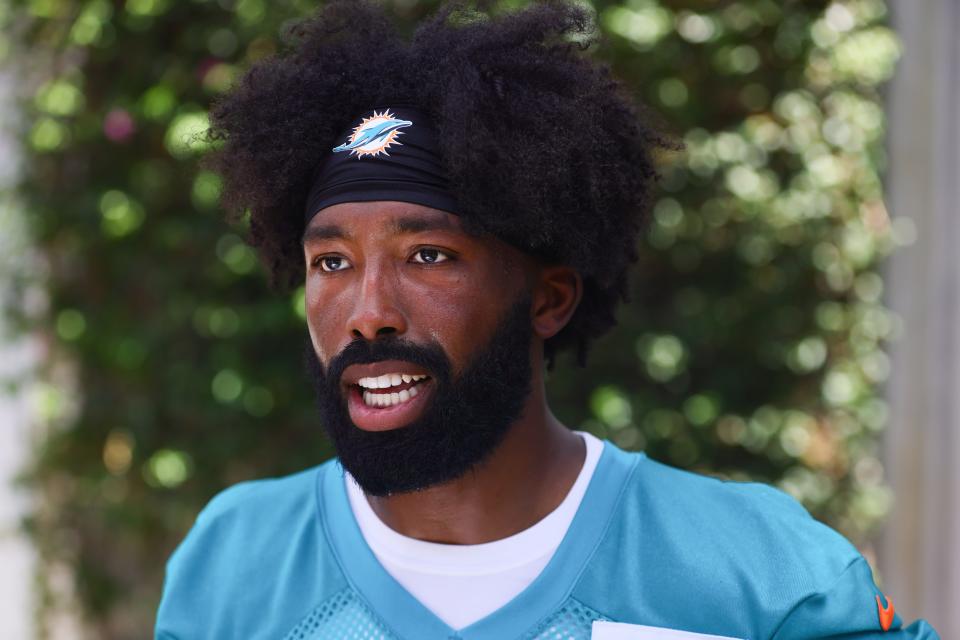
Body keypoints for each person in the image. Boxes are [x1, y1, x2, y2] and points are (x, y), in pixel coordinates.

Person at [154, 2, 940, 638]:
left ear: (550, 297)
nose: (368, 314)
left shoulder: (757, 574)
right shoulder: (233, 561)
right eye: (332, 262)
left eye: (428, 255)